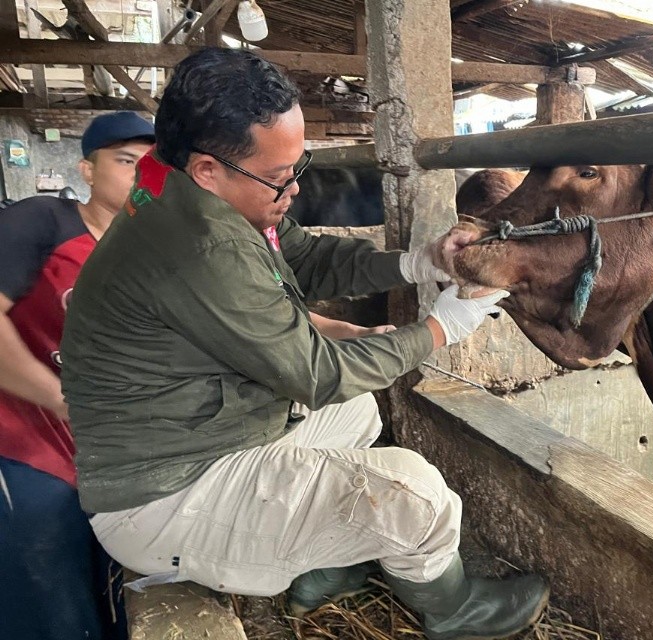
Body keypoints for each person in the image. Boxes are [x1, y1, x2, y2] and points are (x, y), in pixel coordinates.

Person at [60, 48, 549, 640]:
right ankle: (456, 610)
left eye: (298, 165)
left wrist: (418, 263)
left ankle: (327, 569)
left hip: (204, 429)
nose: (293, 188)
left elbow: (305, 259)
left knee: (356, 412)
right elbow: (318, 373)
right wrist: (442, 328)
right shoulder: (200, 246)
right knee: (417, 496)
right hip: (165, 494)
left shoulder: (192, 188)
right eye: (277, 176)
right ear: (209, 169)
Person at [0, 111, 155, 640]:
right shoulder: (42, 221)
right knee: (47, 592)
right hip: (25, 440)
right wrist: (61, 399)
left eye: (153, 164)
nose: (141, 173)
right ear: (87, 170)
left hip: (106, 452)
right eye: (125, 161)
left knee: (111, 589)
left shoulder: (152, 252)